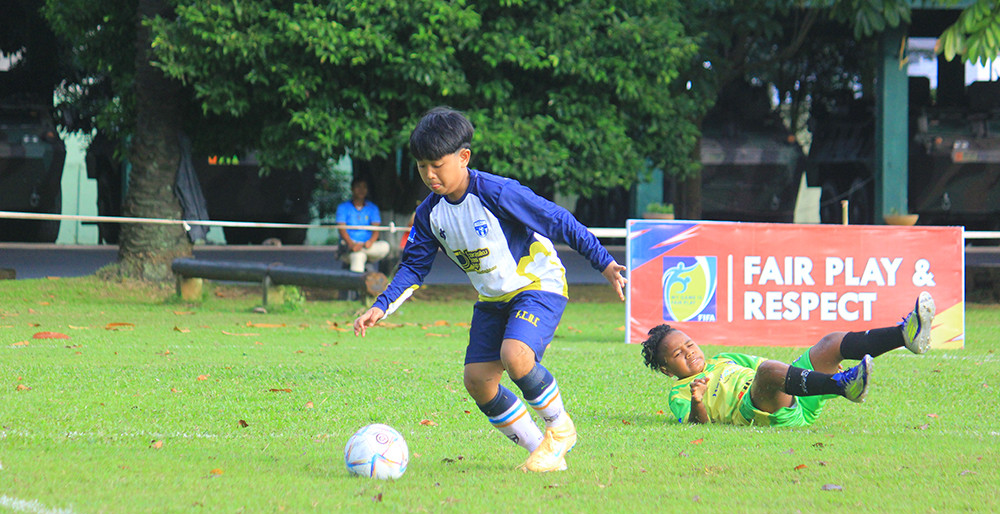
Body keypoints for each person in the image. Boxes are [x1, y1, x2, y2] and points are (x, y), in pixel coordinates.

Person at [354, 107, 628, 473]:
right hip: (493, 299)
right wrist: (381, 307)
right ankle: (542, 451)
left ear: (463, 157)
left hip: (537, 284)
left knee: (515, 356)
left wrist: (604, 263)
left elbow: (557, 220)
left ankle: (560, 430)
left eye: (437, 164)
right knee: (478, 381)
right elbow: (414, 267)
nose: (430, 174)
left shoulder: (498, 192)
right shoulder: (428, 214)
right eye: (422, 166)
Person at [640, 292, 935, 426]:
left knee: (831, 342)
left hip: (792, 393)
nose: (690, 352)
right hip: (763, 409)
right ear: (667, 370)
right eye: (679, 354)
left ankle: (904, 336)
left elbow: (775, 369)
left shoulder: (723, 358)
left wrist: (816, 369)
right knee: (768, 373)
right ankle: (843, 386)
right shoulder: (679, 392)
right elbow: (696, 425)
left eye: (689, 344)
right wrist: (698, 401)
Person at [336, 176, 391, 273]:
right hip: (349, 245)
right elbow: (342, 229)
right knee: (358, 257)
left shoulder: (372, 208)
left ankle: (359, 251)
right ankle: (357, 286)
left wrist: (369, 242)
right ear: (352, 189)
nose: (361, 190)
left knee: (385, 246)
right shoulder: (343, 207)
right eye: (358, 187)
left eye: (364, 187)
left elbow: (376, 231)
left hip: (367, 246)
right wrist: (351, 244)